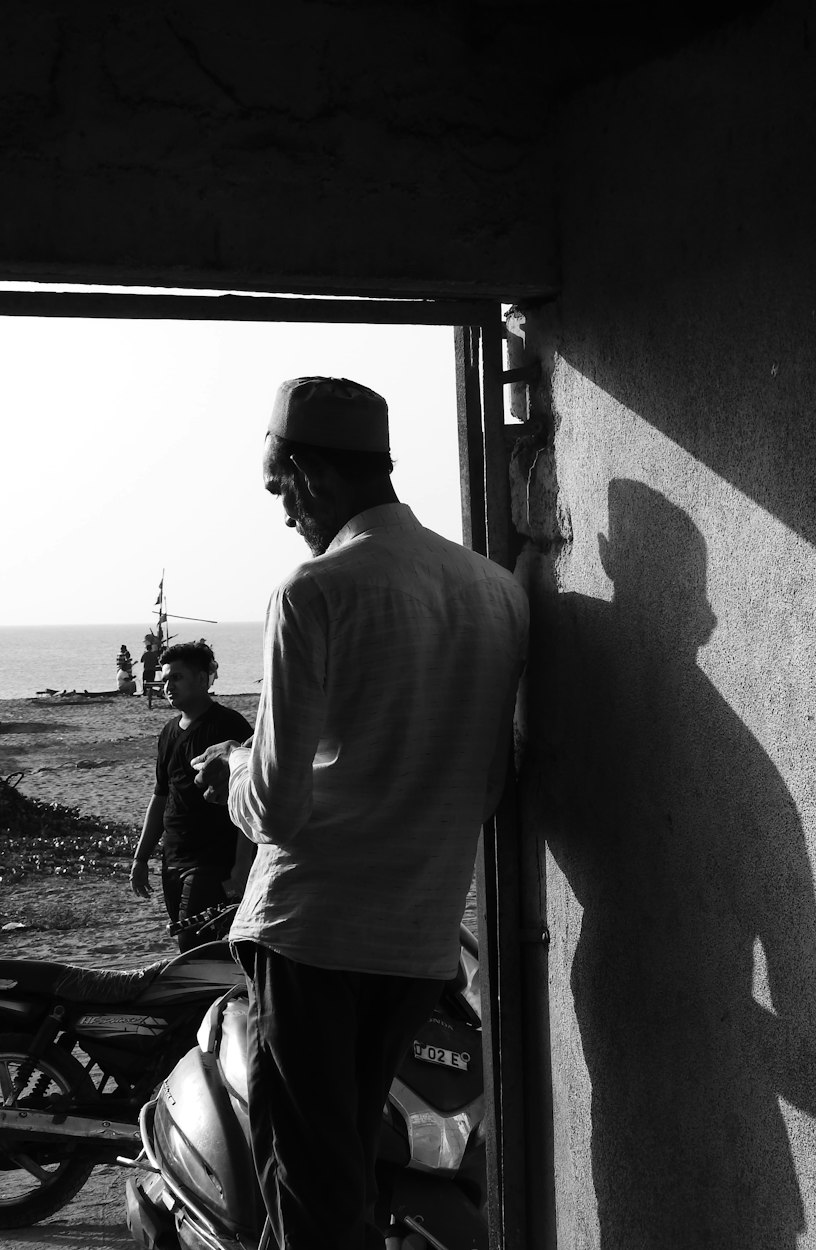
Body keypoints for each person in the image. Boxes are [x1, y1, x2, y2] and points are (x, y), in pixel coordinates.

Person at [190, 376, 529, 1250]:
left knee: (308, 1189)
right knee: (339, 1181)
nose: (281, 510)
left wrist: (229, 765)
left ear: (308, 474)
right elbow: (488, 784)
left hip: (313, 936)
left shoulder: (313, 591)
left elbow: (274, 808)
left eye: (278, 489)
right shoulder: (498, 593)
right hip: (416, 944)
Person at [130, 640, 254, 952]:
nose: (167, 685)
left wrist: (242, 866)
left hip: (212, 860)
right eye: (165, 678)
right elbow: (161, 795)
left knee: (196, 947)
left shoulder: (227, 725)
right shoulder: (169, 730)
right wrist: (141, 857)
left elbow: (247, 794)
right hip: (172, 856)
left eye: (177, 678)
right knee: (187, 947)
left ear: (202, 679)